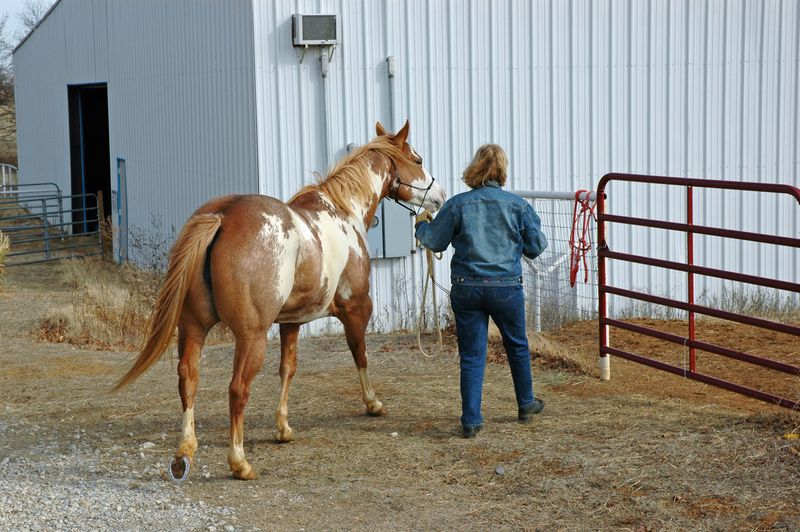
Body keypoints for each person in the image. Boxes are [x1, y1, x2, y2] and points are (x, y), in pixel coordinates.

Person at [414, 144, 548, 438]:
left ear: (475, 168)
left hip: (468, 288)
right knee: (517, 345)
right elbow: (536, 248)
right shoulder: (518, 206)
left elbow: (434, 241)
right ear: (502, 170)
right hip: (506, 288)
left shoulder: (458, 205)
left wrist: (421, 225)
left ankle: (471, 420)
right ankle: (526, 404)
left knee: (473, 355)